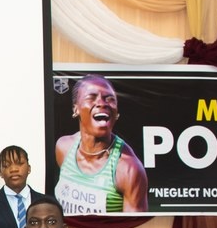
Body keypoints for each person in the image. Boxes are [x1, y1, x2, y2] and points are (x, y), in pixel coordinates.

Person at [54, 74, 148, 213]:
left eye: (109, 99)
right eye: (91, 98)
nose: (102, 103)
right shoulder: (63, 148)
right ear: (76, 109)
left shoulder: (129, 169)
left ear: (117, 112)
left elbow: (136, 225)